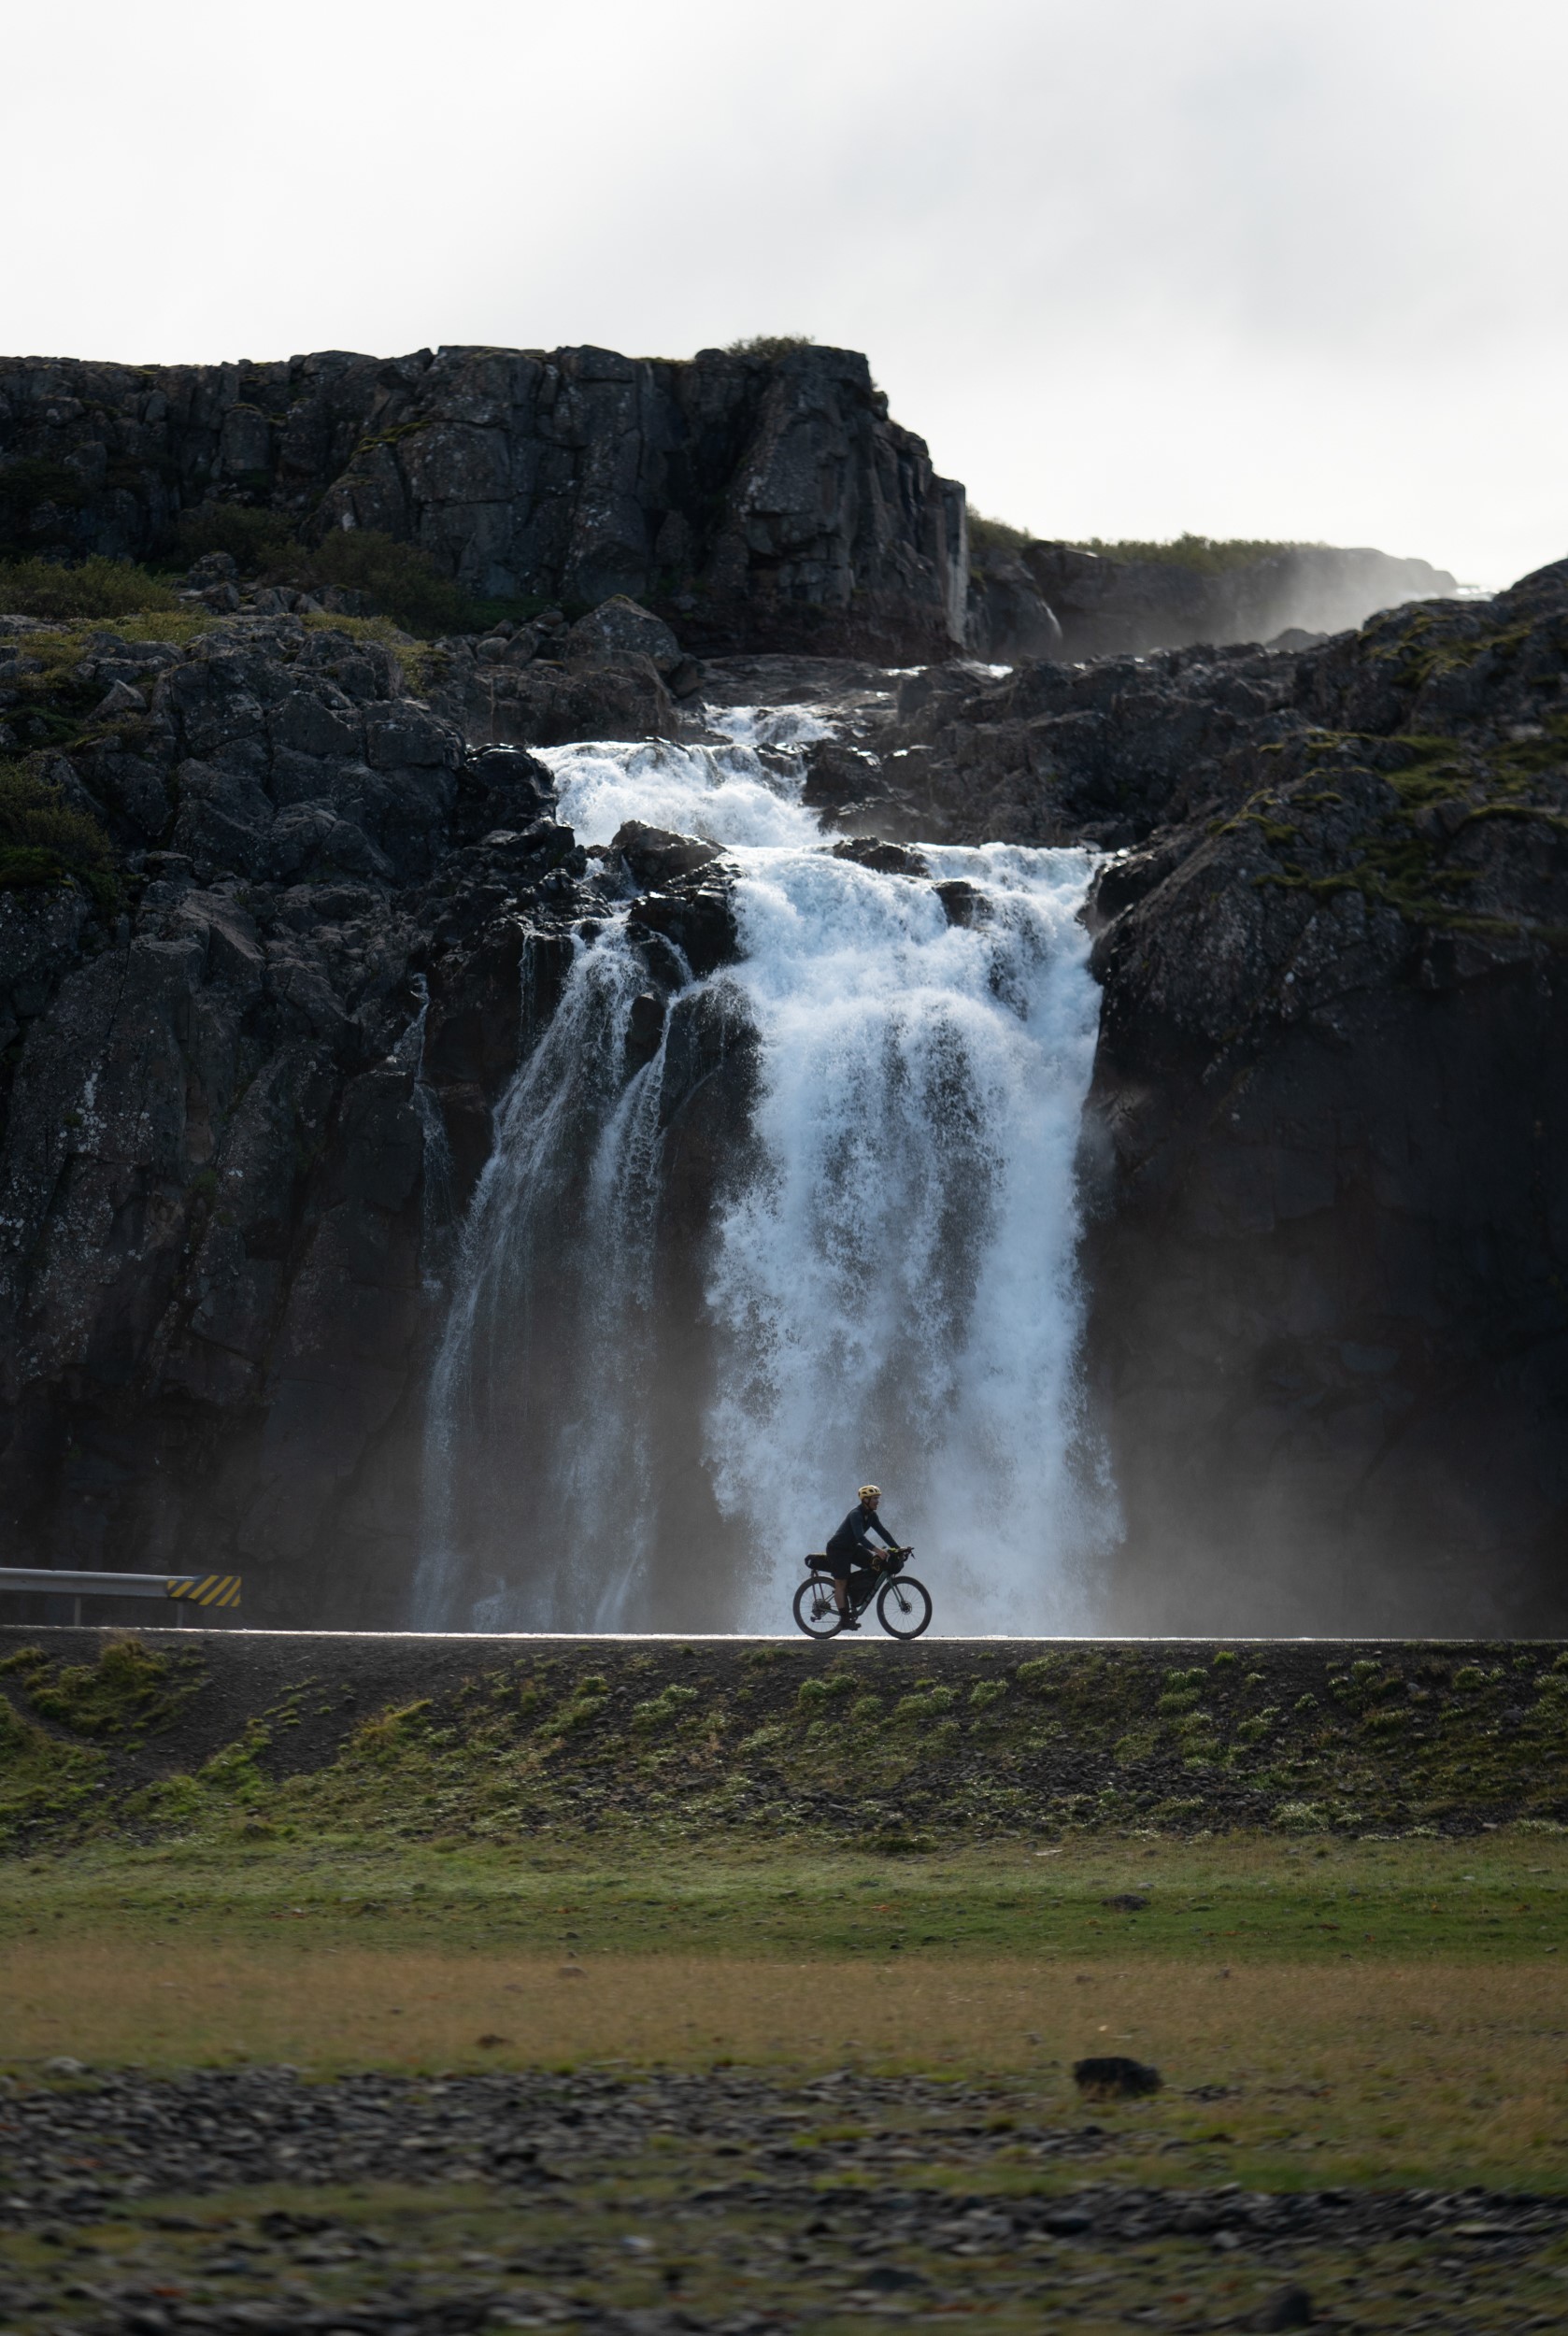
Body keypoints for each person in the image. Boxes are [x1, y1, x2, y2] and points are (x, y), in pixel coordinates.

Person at [825, 1485, 905, 1629]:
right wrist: (877, 1550)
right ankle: (844, 1620)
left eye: (878, 1498)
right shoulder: (856, 1514)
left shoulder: (872, 1516)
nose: (878, 1501)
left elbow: (883, 1533)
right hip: (838, 1550)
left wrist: (899, 1549)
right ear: (866, 1500)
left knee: (875, 1565)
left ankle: (853, 1590)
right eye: (875, 1498)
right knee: (841, 1583)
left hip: (852, 1548)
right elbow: (860, 1537)